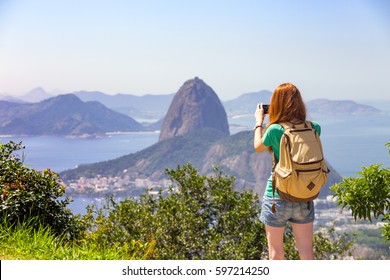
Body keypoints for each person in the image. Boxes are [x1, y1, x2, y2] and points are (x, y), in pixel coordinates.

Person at [254, 82, 321, 260]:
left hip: (277, 196)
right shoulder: (314, 127)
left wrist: (259, 122)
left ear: (276, 104)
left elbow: (258, 147)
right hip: (305, 195)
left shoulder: (275, 130)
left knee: (276, 253)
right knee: (306, 253)